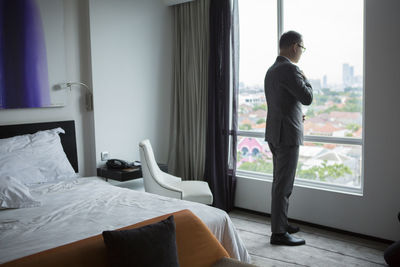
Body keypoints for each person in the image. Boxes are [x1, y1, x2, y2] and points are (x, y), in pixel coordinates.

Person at [264, 31, 313, 246]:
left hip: (275, 133)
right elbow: (307, 97)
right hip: (287, 135)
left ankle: (281, 224)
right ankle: (278, 234)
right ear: (295, 46)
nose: (302, 52)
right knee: (283, 186)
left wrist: (295, 113)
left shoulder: (271, 70)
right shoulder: (291, 69)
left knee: (279, 183)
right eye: (302, 48)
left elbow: (281, 103)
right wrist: (306, 79)